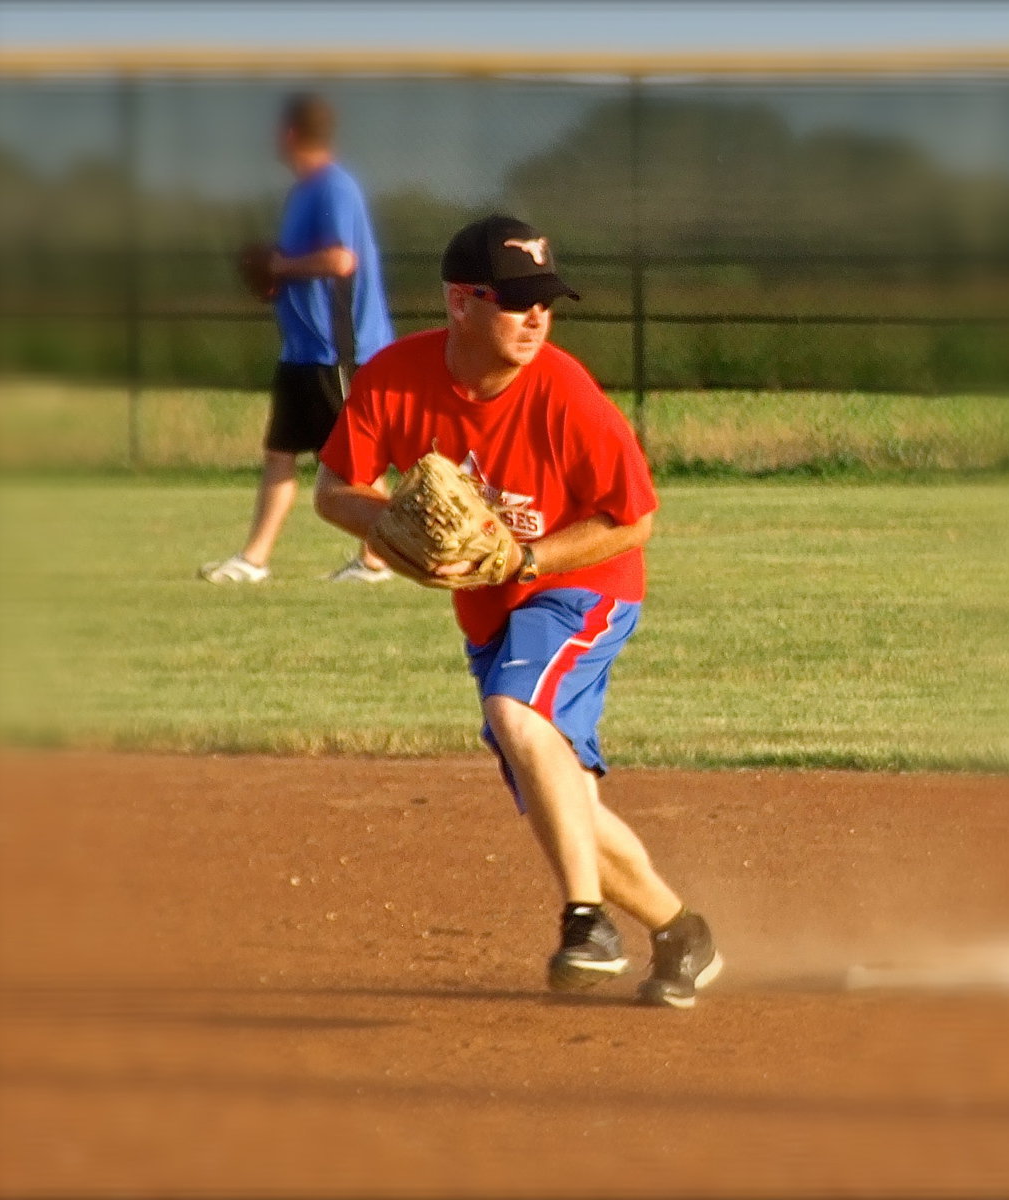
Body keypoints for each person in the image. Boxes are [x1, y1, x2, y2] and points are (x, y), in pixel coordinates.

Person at [313, 214, 722, 1008]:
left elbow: (633, 517)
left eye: (546, 300)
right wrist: (388, 525)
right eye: (515, 301)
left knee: (514, 712)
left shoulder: (566, 391)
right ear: (459, 302)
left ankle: (585, 922)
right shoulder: (395, 379)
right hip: (491, 614)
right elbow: (335, 490)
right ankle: (680, 931)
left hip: (584, 590)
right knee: (557, 791)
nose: (536, 317)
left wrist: (526, 558)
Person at [200, 91, 395, 585]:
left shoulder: (333, 187)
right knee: (280, 452)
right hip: (303, 348)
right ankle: (254, 559)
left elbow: (340, 260)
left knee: (359, 460)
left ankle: (379, 559)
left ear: (289, 134)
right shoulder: (304, 190)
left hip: (336, 349)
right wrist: (277, 277)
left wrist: (281, 265)